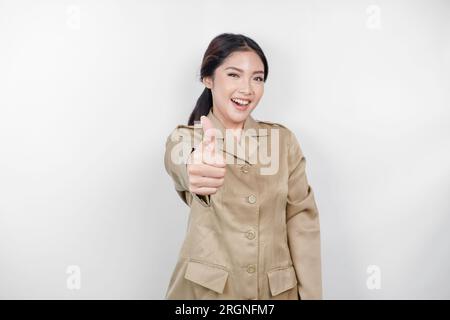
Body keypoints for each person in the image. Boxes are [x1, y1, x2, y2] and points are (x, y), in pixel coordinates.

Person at [164, 33, 322, 300]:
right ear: (208, 79)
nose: (247, 89)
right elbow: (181, 161)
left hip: (276, 294)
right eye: (234, 75)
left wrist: (311, 296)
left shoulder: (282, 142)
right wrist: (195, 166)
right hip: (206, 295)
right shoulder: (185, 139)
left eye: (257, 78)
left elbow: (302, 223)